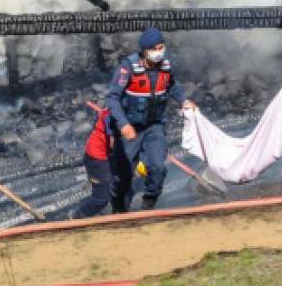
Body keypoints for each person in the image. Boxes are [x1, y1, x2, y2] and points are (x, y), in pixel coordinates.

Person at [105, 27, 196, 211]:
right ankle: (117, 205)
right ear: (145, 51)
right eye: (156, 48)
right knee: (123, 174)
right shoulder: (128, 67)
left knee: (157, 167)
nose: (160, 52)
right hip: (130, 127)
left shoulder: (166, 66)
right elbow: (112, 98)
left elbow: (172, 86)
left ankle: (149, 203)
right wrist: (123, 125)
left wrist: (184, 101)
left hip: (154, 127)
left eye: (161, 47)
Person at [71, 105, 117, 219]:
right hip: (97, 158)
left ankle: (115, 213)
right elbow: (114, 143)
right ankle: (76, 218)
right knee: (101, 199)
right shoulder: (116, 112)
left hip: (108, 155)